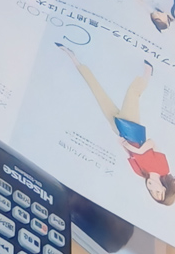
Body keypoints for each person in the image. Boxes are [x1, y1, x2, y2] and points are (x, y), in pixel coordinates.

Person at [56, 45, 175, 205]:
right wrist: (136, 149)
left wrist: (123, 144)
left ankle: (74, 59)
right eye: (158, 192)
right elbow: (151, 143)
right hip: (132, 127)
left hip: (119, 130)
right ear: (165, 188)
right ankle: (148, 73)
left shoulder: (140, 173)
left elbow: (129, 153)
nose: (153, 189)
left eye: (153, 194)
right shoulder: (163, 169)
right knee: (132, 93)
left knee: (98, 93)